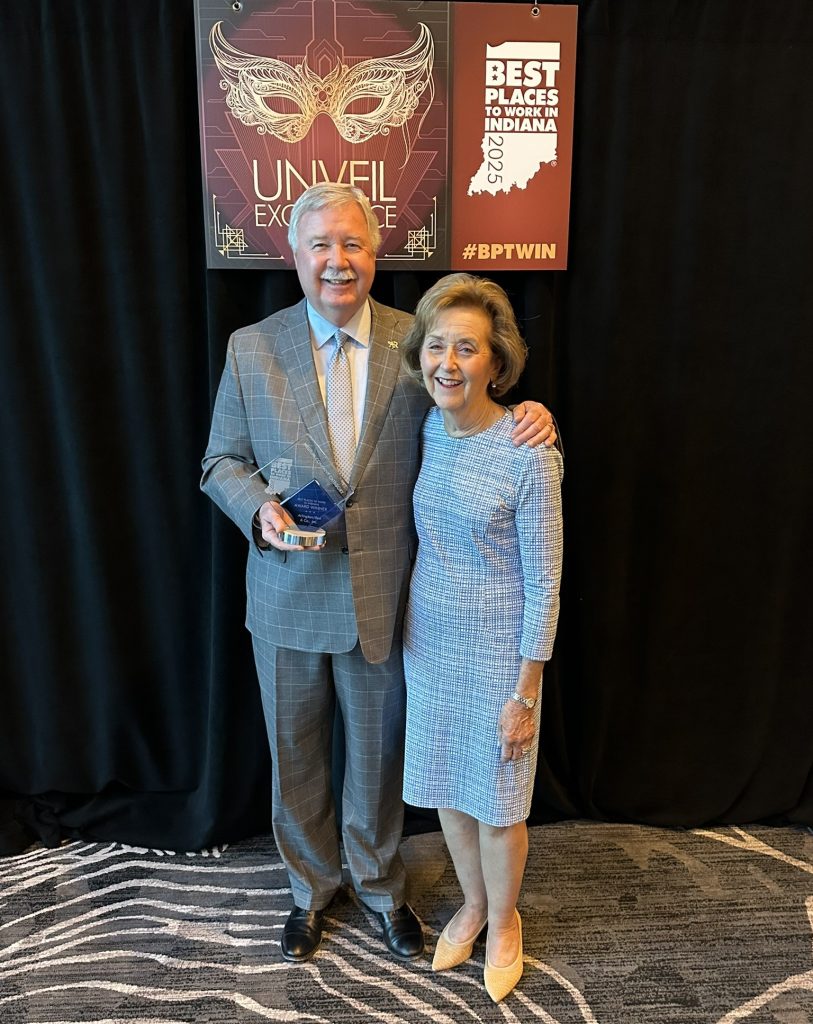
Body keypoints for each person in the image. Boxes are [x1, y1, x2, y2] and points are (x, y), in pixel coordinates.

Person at [201, 184, 557, 964]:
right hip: (287, 599)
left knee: (376, 759)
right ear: (295, 257)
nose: (337, 261)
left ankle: (377, 886)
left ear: (374, 254)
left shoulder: (418, 344)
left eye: (352, 245)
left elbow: (473, 418)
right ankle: (308, 890)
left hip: (388, 604)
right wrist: (258, 507)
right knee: (295, 760)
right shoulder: (250, 348)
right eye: (320, 246)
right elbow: (219, 460)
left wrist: (533, 415)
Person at [399, 273, 564, 1001]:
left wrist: (525, 691)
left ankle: (502, 920)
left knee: (498, 804)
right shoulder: (430, 424)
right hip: (427, 643)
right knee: (447, 791)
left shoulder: (529, 451)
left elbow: (546, 581)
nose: (448, 363)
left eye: (467, 348)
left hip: (500, 655)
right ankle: (469, 901)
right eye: (437, 345)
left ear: (495, 363)